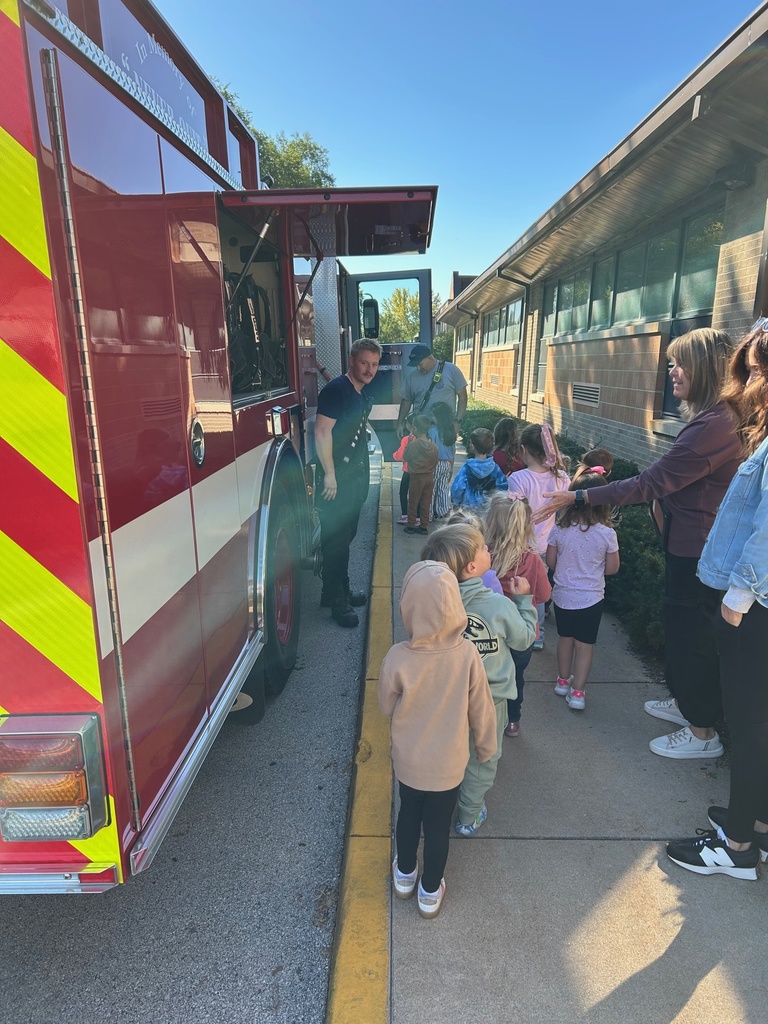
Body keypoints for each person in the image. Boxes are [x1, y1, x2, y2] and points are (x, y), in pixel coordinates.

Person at [536, 328, 741, 757]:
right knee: (682, 629)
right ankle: (686, 703)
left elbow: (651, 482)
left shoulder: (717, 424)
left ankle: (702, 731)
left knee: (692, 636)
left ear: (706, 368)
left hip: (698, 549)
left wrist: (579, 495)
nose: (671, 371)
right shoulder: (711, 420)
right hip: (687, 544)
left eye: (679, 362)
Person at [666, 326, 768, 879]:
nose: (748, 384)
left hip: (755, 607)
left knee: (751, 726)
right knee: (759, 725)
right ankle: (757, 826)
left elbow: (766, 528)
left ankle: (735, 849)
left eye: (755, 372)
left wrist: (738, 596)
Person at [378, 560, 496, 918]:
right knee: (438, 825)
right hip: (449, 764)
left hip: (410, 762)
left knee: (408, 814)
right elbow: (482, 708)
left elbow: (385, 706)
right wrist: (485, 745)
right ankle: (430, 890)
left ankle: (404, 875)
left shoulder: (398, 656)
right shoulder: (467, 655)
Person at [422, 524, 536, 836]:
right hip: (490, 698)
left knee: (448, 752)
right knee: (483, 756)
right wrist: (524, 601)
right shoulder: (499, 604)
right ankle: (469, 816)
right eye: (484, 548)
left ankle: (440, 804)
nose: (489, 550)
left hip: (446, 697)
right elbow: (524, 639)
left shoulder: (432, 604)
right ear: (473, 567)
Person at [315, 339, 381, 627]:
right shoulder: (335, 391)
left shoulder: (358, 391)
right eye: (365, 363)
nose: (369, 370)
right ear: (352, 360)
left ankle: (334, 590)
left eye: (374, 364)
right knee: (336, 541)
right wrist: (329, 474)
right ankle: (337, 601)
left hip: (353, 478)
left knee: (346, 536)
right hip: (337, 478)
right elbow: (322, 432)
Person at [546, 472, 620, 711]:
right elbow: (612, 568)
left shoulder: (559, 529)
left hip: (563, 595)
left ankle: (561, 681)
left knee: (565, 639)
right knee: (585, 645)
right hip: (591, 598)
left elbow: (551, 561)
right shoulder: (607, 534)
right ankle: (578, 693)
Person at [484, 493, 551, 737]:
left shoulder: (481, 556)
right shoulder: (532, 560)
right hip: (522, 634)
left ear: (489, 522)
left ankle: (485, 719)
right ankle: (512, 721)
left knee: (486, 678)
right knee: (516, 677)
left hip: (489, 632)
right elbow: (544, 595)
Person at [508, 423, 570, 650]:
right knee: (541, 590)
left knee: (523, 588)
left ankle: (523, 628)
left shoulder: (519, 478)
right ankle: (538, 634)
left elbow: (515, 514)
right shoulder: (562, 477)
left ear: (523, 450)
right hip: (551, 543)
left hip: (523, 544)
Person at [396, 344, 468, 437]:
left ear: (429, 358)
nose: (418, 368)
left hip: (445, 428)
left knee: (444, 452)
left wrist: (458, 421)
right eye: (416, 365)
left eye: (420, 364)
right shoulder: (412, 376)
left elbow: (463, 397)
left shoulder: (451, 370)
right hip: (421, 428)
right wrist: (400, 423)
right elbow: (406, 401)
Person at [450, 427, 509, 508]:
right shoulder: (495, 468)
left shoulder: (466, 468)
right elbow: (503, 487)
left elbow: (457, 488)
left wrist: (456, 503)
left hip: (469, 511)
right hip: (488, 511)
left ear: (472, 446)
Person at [403, 415, 438, 535]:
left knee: (413, 502)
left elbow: (406, 457)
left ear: (415, 428)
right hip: (429, 477)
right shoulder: (434, 446)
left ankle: (411, 525)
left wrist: (409, 443)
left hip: (416, 477)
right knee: (426, 502)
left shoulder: (414, 445)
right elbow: (435, 462)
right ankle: (423, 526)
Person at [428, 403, 458, 519]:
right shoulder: (450, 432)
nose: (432, 418)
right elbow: (452, 453)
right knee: (443, 488)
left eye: (433, 416)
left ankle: (428, 513)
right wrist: (451, 468)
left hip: (436, 463)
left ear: (438, 418)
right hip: (447, 464)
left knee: (432, 489)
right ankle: (442, 511)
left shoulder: (433, 431)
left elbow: (431, 450)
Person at [392, 414, 415, 525]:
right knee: (417, 494)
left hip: (408, 471)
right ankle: (418, 516)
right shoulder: (426, 439)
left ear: (409, 426)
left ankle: (405, 515)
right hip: (421, 472)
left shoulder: (407, 439)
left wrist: (395, 455)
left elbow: (401, 455)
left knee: (403, 492)